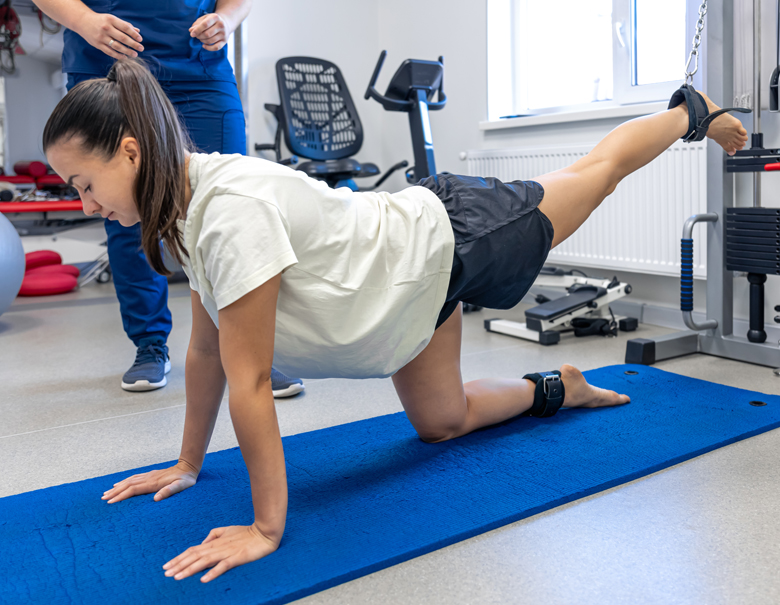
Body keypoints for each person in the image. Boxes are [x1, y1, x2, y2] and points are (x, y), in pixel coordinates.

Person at [42, 59, 748, 583]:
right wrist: (188, 464)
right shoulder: (182, 212)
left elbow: (248, 377)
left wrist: (265, 528)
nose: (84, 204)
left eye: (83, 184)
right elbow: (203, 353)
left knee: (595, 174)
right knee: (440, 422)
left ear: (130, 153)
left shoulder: (227, 212)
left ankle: (688, 110)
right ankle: (559, 386)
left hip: (447, 238)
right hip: (406, 294)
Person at [34, 0, 304, 397]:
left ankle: (255, 346)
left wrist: (226, 19)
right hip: (105, 58)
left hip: (198, 65)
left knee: (232, 204)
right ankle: (150, 343)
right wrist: (83, 20)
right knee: (124, 210)